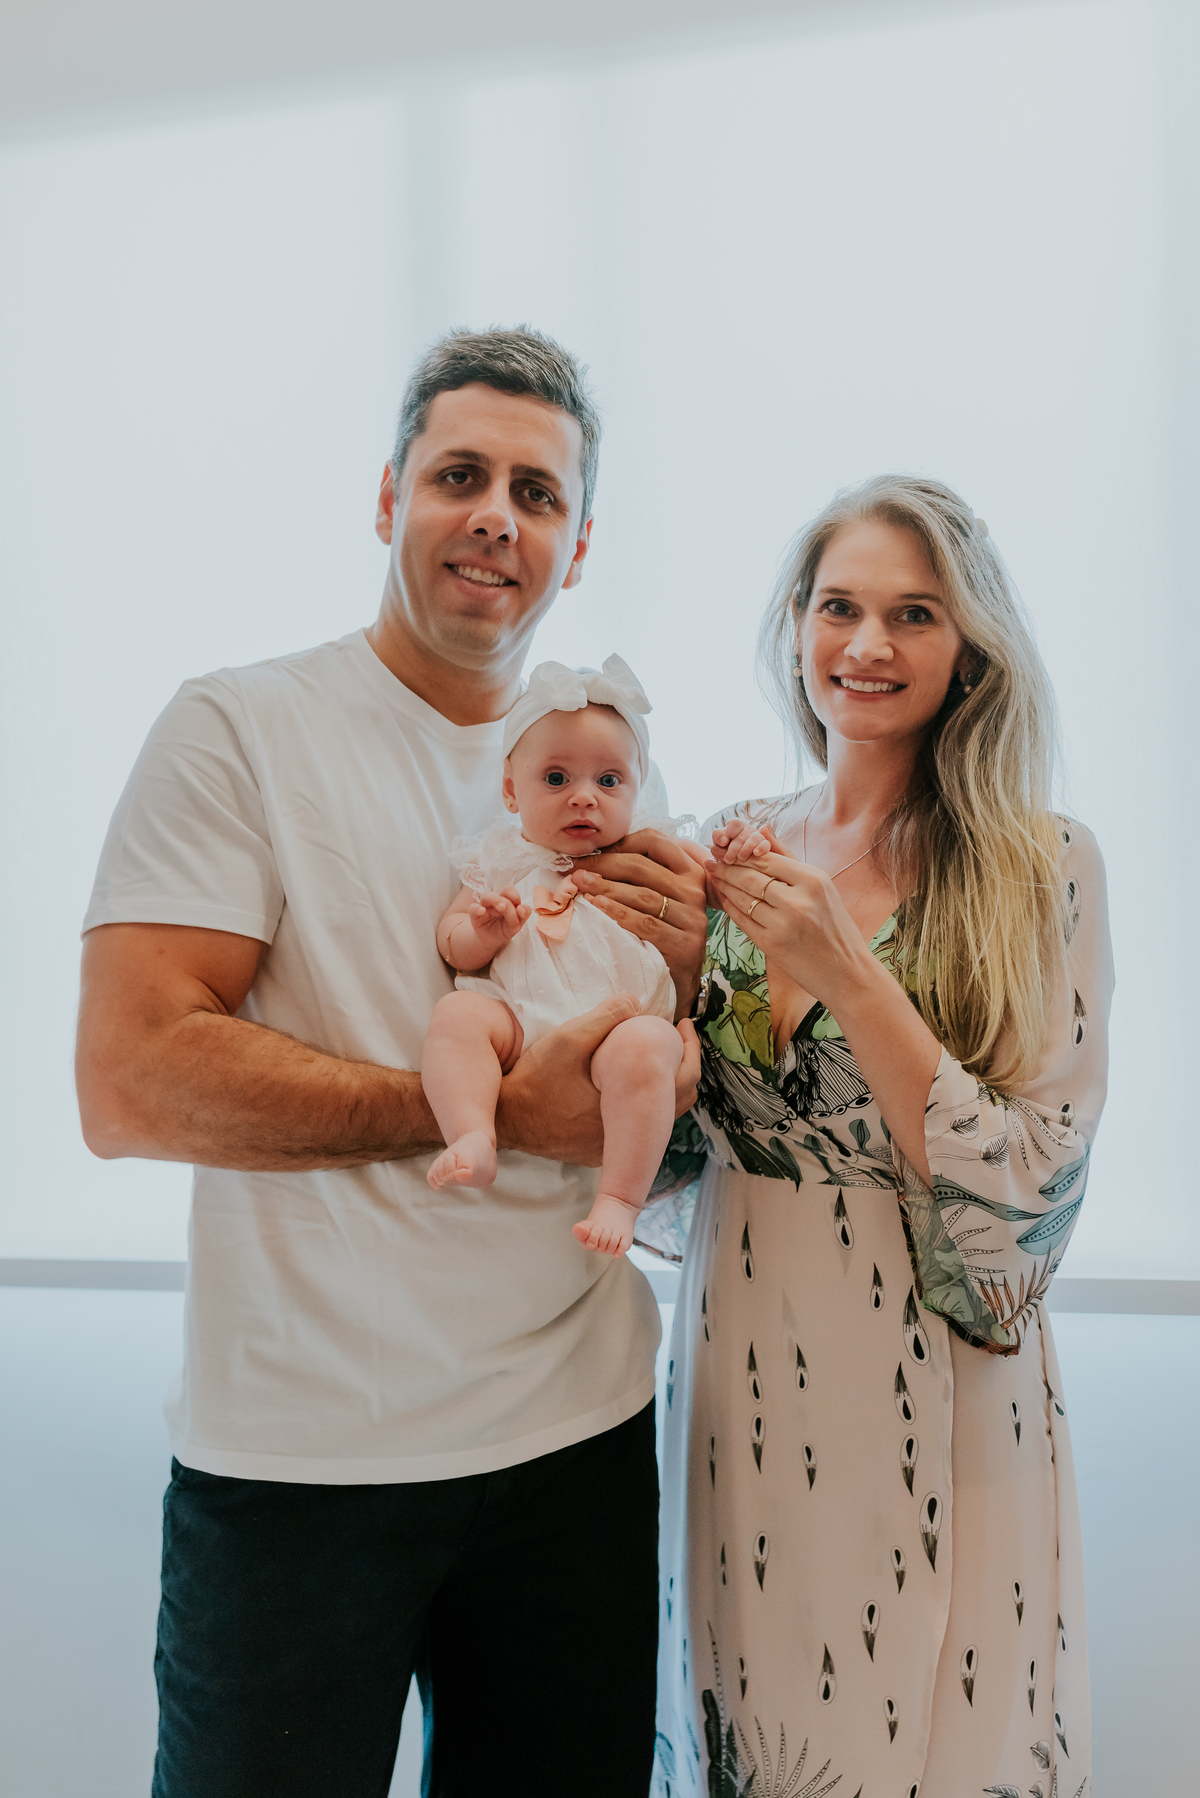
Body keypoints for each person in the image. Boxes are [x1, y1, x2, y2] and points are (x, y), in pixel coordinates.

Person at [73, 326, 707, 1798]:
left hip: (576, 1447)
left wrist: (680, 1013)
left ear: (580, 542)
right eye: (460, 475)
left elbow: (665, 1111)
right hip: (302, 1463)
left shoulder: (609, 774)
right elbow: (128, 1080)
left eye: (538, 493)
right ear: (387, 498)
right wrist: (465, 1104)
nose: (497, 514)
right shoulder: (240, 728)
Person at [651, 476, 1112, 1798]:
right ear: (796, 625)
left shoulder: (1041, 867)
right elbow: (670, 1160)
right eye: (839, 606)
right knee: (752, 1721)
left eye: (913, 613)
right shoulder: (722, 850)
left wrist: (849, 969)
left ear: (969, 644)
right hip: (740, 1364)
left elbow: (1036, 1177)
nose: (867, 645)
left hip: (937, 1383)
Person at [425, 653, 697, 1257]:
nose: (583, 799)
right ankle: (472, 1134)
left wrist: (740, 850)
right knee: (458, 1019)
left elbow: (714, 891)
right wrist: (483, 932)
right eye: (556, 779)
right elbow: (452, 946)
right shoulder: (498, 859)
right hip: (521, 1020)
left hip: (620, 1026)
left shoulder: (653, 853)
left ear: (637, 784)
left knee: (650, 1047)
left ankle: (622, 1199)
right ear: (509, 789)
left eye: (608, 780)